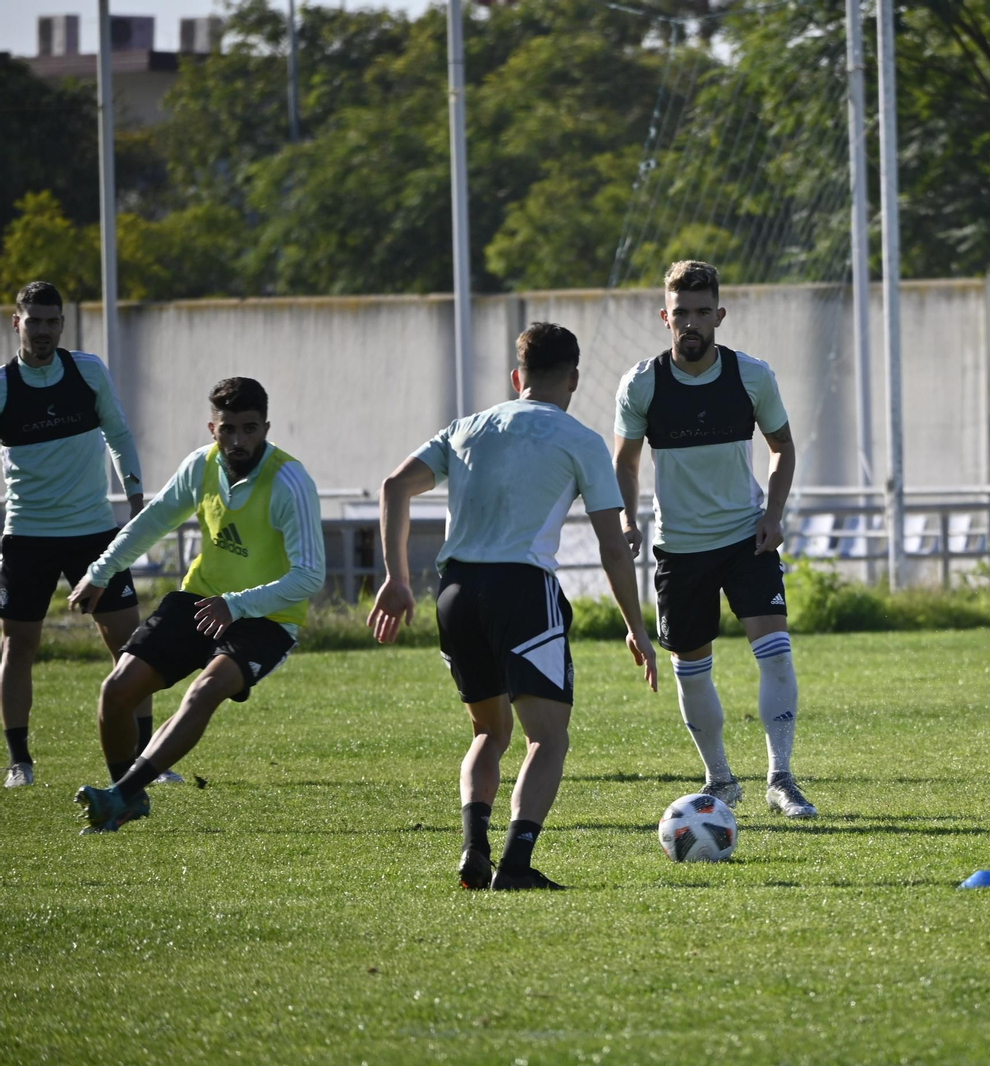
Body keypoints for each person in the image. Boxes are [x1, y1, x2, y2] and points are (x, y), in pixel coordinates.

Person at [368, 322, 657, 891]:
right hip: (522, 592)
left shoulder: (468, 427)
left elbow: (394, 486)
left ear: (515, 377)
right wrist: (636, 626)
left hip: (455, 594)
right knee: (547, 738)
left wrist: (397, 578)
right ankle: (517, 864)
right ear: (573, 378)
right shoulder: (579, 439)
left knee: (488, 734)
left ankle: (474, 848)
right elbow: (612, 547)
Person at [68, 377, 324, 831]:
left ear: (266, 427)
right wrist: (100, 572)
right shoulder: (200, 467)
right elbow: (151, 523)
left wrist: (237, 604)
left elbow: (309, 576)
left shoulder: (290, 482)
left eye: (249, 429)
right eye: (228, 430)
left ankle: (120, 795)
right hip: (201, 600)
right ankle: (124, 796)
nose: (238, 440)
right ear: (212, 428)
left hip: (268, 618)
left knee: (205, 690)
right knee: (116, 691)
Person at [613, 260, 816, 818]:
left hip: (744, 539)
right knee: (692, 668)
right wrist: (628, 518)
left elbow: (783, 447)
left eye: (703, 312)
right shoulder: (643, 383)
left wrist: (773, 513)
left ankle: (781, 779)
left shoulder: (752, 376)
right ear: (665, 317)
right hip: (678, 547)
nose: (692, 322)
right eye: (682, 313)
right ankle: (721, 780)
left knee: (775, 653)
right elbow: (625, 464)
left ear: (720, 315)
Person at [1, 281, 167, 790]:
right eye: (36, 321)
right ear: (17, 323)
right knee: (18, 645)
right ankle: (19, 762)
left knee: (130, 644)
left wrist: (137, 501)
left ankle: (145, 760)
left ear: (62, 325)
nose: (45, 331)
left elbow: (118, 433)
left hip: (93, 530)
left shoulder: (88, 370)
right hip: (26, 533)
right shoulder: (4, 385)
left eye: (54, 321)